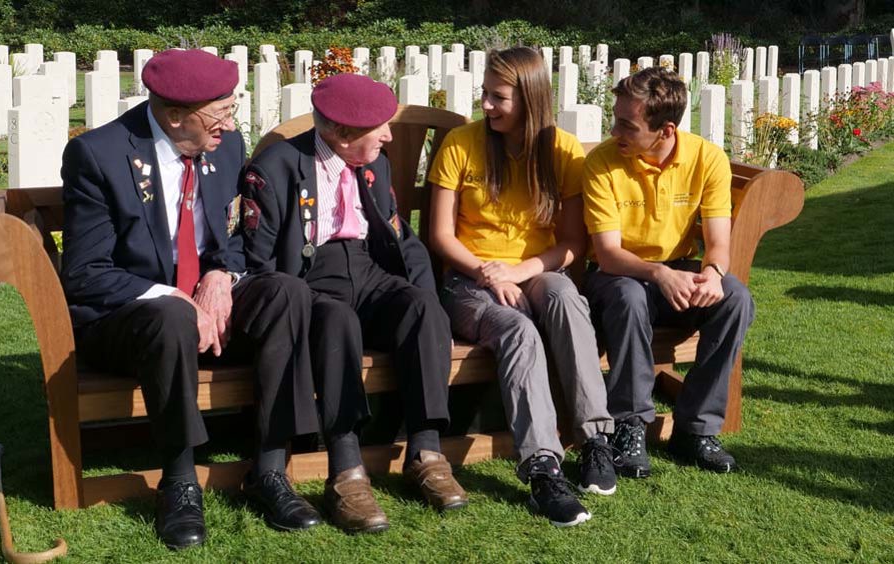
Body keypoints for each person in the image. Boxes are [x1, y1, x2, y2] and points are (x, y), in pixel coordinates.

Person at [60, 49, 323, 550]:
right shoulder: (99, 155)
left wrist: (222, 274)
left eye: (231, 107)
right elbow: (86, 273)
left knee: (287, 292)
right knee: (169, 316)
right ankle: (179, 480)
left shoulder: (225, 146)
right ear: (175, 115)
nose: (230, 122)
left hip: (205, 301)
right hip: (127, 318)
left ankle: (269, 469)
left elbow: (235, 237)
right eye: (219, 111)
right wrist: (179, 298)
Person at [242, 73, 467, 534]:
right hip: (310, 281)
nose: (389, 135)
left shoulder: (375, 163)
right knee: (338, 320)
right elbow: (259, 260)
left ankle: (426, 451)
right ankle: (346, 471)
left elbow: (393, 235)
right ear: (341, 135)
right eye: (379, 127)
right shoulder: (278, 165)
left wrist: (424, 290)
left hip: (366, 271)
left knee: (421, 307)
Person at [427, 47, 615, 528]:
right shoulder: (461, 144)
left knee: (564, 296)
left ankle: (595, 439)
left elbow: (574, 244)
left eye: (499, 97)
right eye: (485, 94)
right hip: (468, 281)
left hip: (533, 272)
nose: (486, 105)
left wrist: (521, 269)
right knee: (517, 329)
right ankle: (542, 468)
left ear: (531, 99)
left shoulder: (563, 152)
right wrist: (489, 271)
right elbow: (441, 236)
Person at [582, 66, 755, 478]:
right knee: (628, 295)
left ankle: (694, 429)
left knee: (735, 298)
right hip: (617, 276)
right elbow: (607, 254)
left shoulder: (706, 158)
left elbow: (718, 244)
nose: (615, 130)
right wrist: (659, 274)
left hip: (679, 272)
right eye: (615, 118)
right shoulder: (602, 162)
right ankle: (629, 424)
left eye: (627, 124)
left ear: (666, 129)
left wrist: (712, 274)